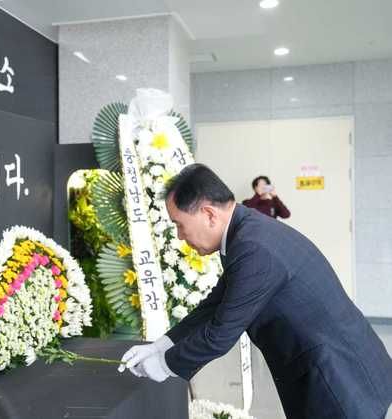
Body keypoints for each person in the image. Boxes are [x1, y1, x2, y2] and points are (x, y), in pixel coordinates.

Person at [119, 163, 392, 419]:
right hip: (337, 366)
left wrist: (164, 364)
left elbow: (220, 334)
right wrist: (161, 345)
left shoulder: (253, 247)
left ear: (209, 214)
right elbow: (215, 305)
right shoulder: (245, 231)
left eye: (179, 224)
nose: (180, 235)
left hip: (338, 381)